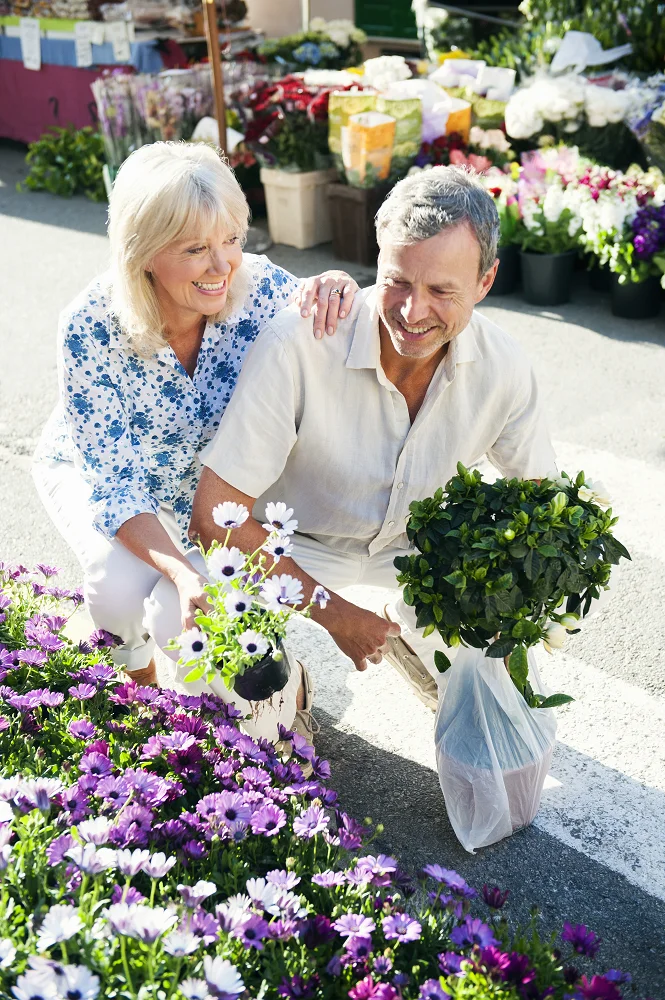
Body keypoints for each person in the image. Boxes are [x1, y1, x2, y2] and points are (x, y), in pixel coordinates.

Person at [147, 164, 557, 745]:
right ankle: (285, 694)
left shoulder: (505, 365)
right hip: (295, 544)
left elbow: (541, 500)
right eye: (398, 282)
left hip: (421, 552)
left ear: (486, 281)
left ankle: (421, 644)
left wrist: (500, 605)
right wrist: (333, 611)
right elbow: (214, 517)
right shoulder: (299, 342)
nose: (413, 312)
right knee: (205, 633)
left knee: (503, 740)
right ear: (379, 258)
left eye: (443, 291)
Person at [32, 141, 358, 729]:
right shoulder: (88, 326)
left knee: (177, 621)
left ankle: (253, 704)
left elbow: (321, 299)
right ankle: (138, 690)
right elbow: (113, 486)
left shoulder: (256, 288)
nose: (223, 266)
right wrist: (180, 571)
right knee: (114, 588)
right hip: (106, 478)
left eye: (232, 239)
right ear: (145, 254)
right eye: (195, 249)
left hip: (209, 498)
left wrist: (337, 282)